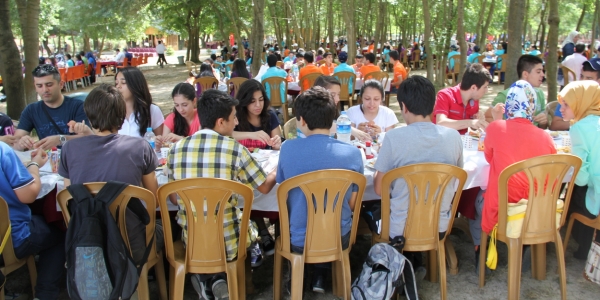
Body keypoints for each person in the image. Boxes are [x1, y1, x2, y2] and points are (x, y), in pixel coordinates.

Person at [167, 89, 277, 300]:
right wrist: (276, 168)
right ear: (220, 122)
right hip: (231, 242)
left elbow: (174, 198)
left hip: (192, 242)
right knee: (251, 228)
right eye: (233, 117)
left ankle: (210, 280)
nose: (236, 122)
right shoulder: (234, 149)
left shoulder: (176, 150)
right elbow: (263, 187)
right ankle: (220, 280)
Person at [59, 84, 164, 263]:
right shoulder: (140, 147)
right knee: (168, 227)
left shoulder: (69, 149)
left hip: (87, 242)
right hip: (132, 245)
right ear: (122, 116)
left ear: (88, 114)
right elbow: (152, 199)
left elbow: (71, 197)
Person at [373, 75, 463, 276]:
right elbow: (456, 181)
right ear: (433, 104)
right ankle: (417, 261)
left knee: (371, 209)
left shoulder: (394, 137)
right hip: (438, 225)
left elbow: (379, 189)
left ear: (403, 107)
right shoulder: (454, 137)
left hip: (400, 230)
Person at [277, 86, 363, 293]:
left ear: (302, 120)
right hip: (338, 236)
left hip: (298, 239)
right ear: (333, 117)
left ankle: (297, 280)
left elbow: (285, 198)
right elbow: (352, 204)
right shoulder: (352, 154)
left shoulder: (287, 149)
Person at [479, 80, 557, 253]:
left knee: (478, 199)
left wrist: (497, 120)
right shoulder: (545, 137)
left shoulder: (496, 128)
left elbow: (489, 158)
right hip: (535, 207)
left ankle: (482, 254)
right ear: (532, 106)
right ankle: (531, 251)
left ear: (509, 104)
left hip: (503, 206)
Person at [0, 144, 65, 299]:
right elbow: (28, 195)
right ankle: (45, 295)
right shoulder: (3, 151)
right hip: (10, 240)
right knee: (60, 230)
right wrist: (34, 165)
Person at [558, 81, 600, 259]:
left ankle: (582, 245)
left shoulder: (580, 128)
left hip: (596, 198)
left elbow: (581, 178)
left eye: (566, 104)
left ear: (582, 102)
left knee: (571, 190)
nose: (562, 109)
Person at [14, 64, 90, 151]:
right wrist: (22, 142)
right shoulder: (31, 110)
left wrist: (60, 139)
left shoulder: (79, 106)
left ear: (61, 84)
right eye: (39, 86)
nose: (45, 90)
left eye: (49, 85)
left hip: (76, 158)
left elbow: (89, 137)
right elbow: (16, 141)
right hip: (48, 160)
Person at [484, 55, 548, 129]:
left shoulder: (539, 93)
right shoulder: (506, 95)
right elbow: (487, 118)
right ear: (525, 74)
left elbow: (543, 127)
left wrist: (544, 122)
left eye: (543, 71)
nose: (543, 75)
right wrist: (506, 128)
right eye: (538, 72)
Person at [433, 63, 491, 134]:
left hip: (462, 142)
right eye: (485, 87)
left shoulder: (475, 100)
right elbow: (441, 123)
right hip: (443, 141)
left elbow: (472, 127)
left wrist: (477, 122)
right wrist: (470, 122)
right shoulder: (445, 95)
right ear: (473, 88)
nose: (486, 91)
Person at [231, 80, 282, 151]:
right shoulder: (235, 117)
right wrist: (251, 135)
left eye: (261, 100)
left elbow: (276, 149)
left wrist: (276, 145)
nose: (258, 105)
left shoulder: (270, 116)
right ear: (244, 101)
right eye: (252, 101)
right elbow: (225, 136)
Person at [115, 67, 164, 137]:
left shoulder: (152, 110)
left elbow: (160, 141)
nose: (118, 86)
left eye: (123, 83)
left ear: (135, 85)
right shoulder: (112, 111)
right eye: (116, 83)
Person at [552, 58, 600, 130]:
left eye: (589, 78)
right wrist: (581, 124)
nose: (583, 81)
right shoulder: (572, 94)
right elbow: (555, 125)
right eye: (582, 76)